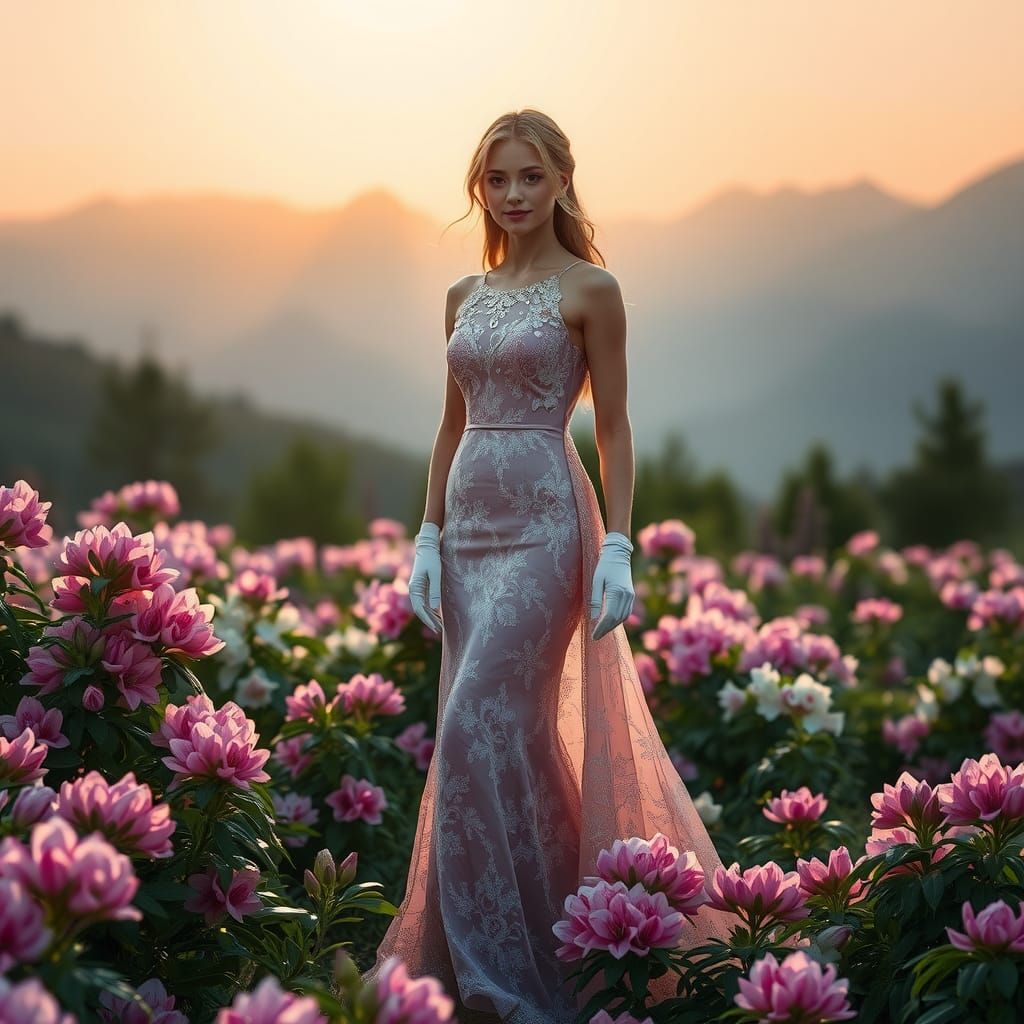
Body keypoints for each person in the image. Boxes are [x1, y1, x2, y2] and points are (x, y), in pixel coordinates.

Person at [361, 109, 734, 1022]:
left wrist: (617, 545)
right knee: (499, 743)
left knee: (479, 719)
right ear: (480, 190)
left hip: (545, 524)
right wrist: (426, 536)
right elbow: (450, 425)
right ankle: (541, 931)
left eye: (531, 177)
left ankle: (508, 977)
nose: (515, 195)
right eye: (499, 180)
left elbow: (612, 425)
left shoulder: (592, 289)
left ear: (563, 179)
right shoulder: (462, 295)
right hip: (473, 532)